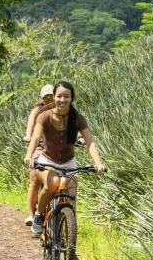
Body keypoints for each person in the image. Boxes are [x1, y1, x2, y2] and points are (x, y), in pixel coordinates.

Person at [24, 80, 105, 235]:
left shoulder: (78, 119)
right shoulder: (44, 116)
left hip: (69, 163)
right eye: (59, 96)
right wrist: (29, 156)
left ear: (71, 98)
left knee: (71, 205)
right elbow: (35, 138)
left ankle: (70, 251)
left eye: (66, 96)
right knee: (53, 183)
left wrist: (97, 163)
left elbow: (90, 143)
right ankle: (39, 215)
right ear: (54, 97)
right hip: (47, 161)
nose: (62, 100)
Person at [24, 84, 55, 227]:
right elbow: (31, 124)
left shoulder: (61, 110)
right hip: (40, 147)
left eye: (51, 96)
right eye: (46, 97)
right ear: (41, 98)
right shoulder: (37, 111)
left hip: (56, 150)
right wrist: (28, 135)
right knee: (35, 179)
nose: (49, 99)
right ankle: (31, 215)